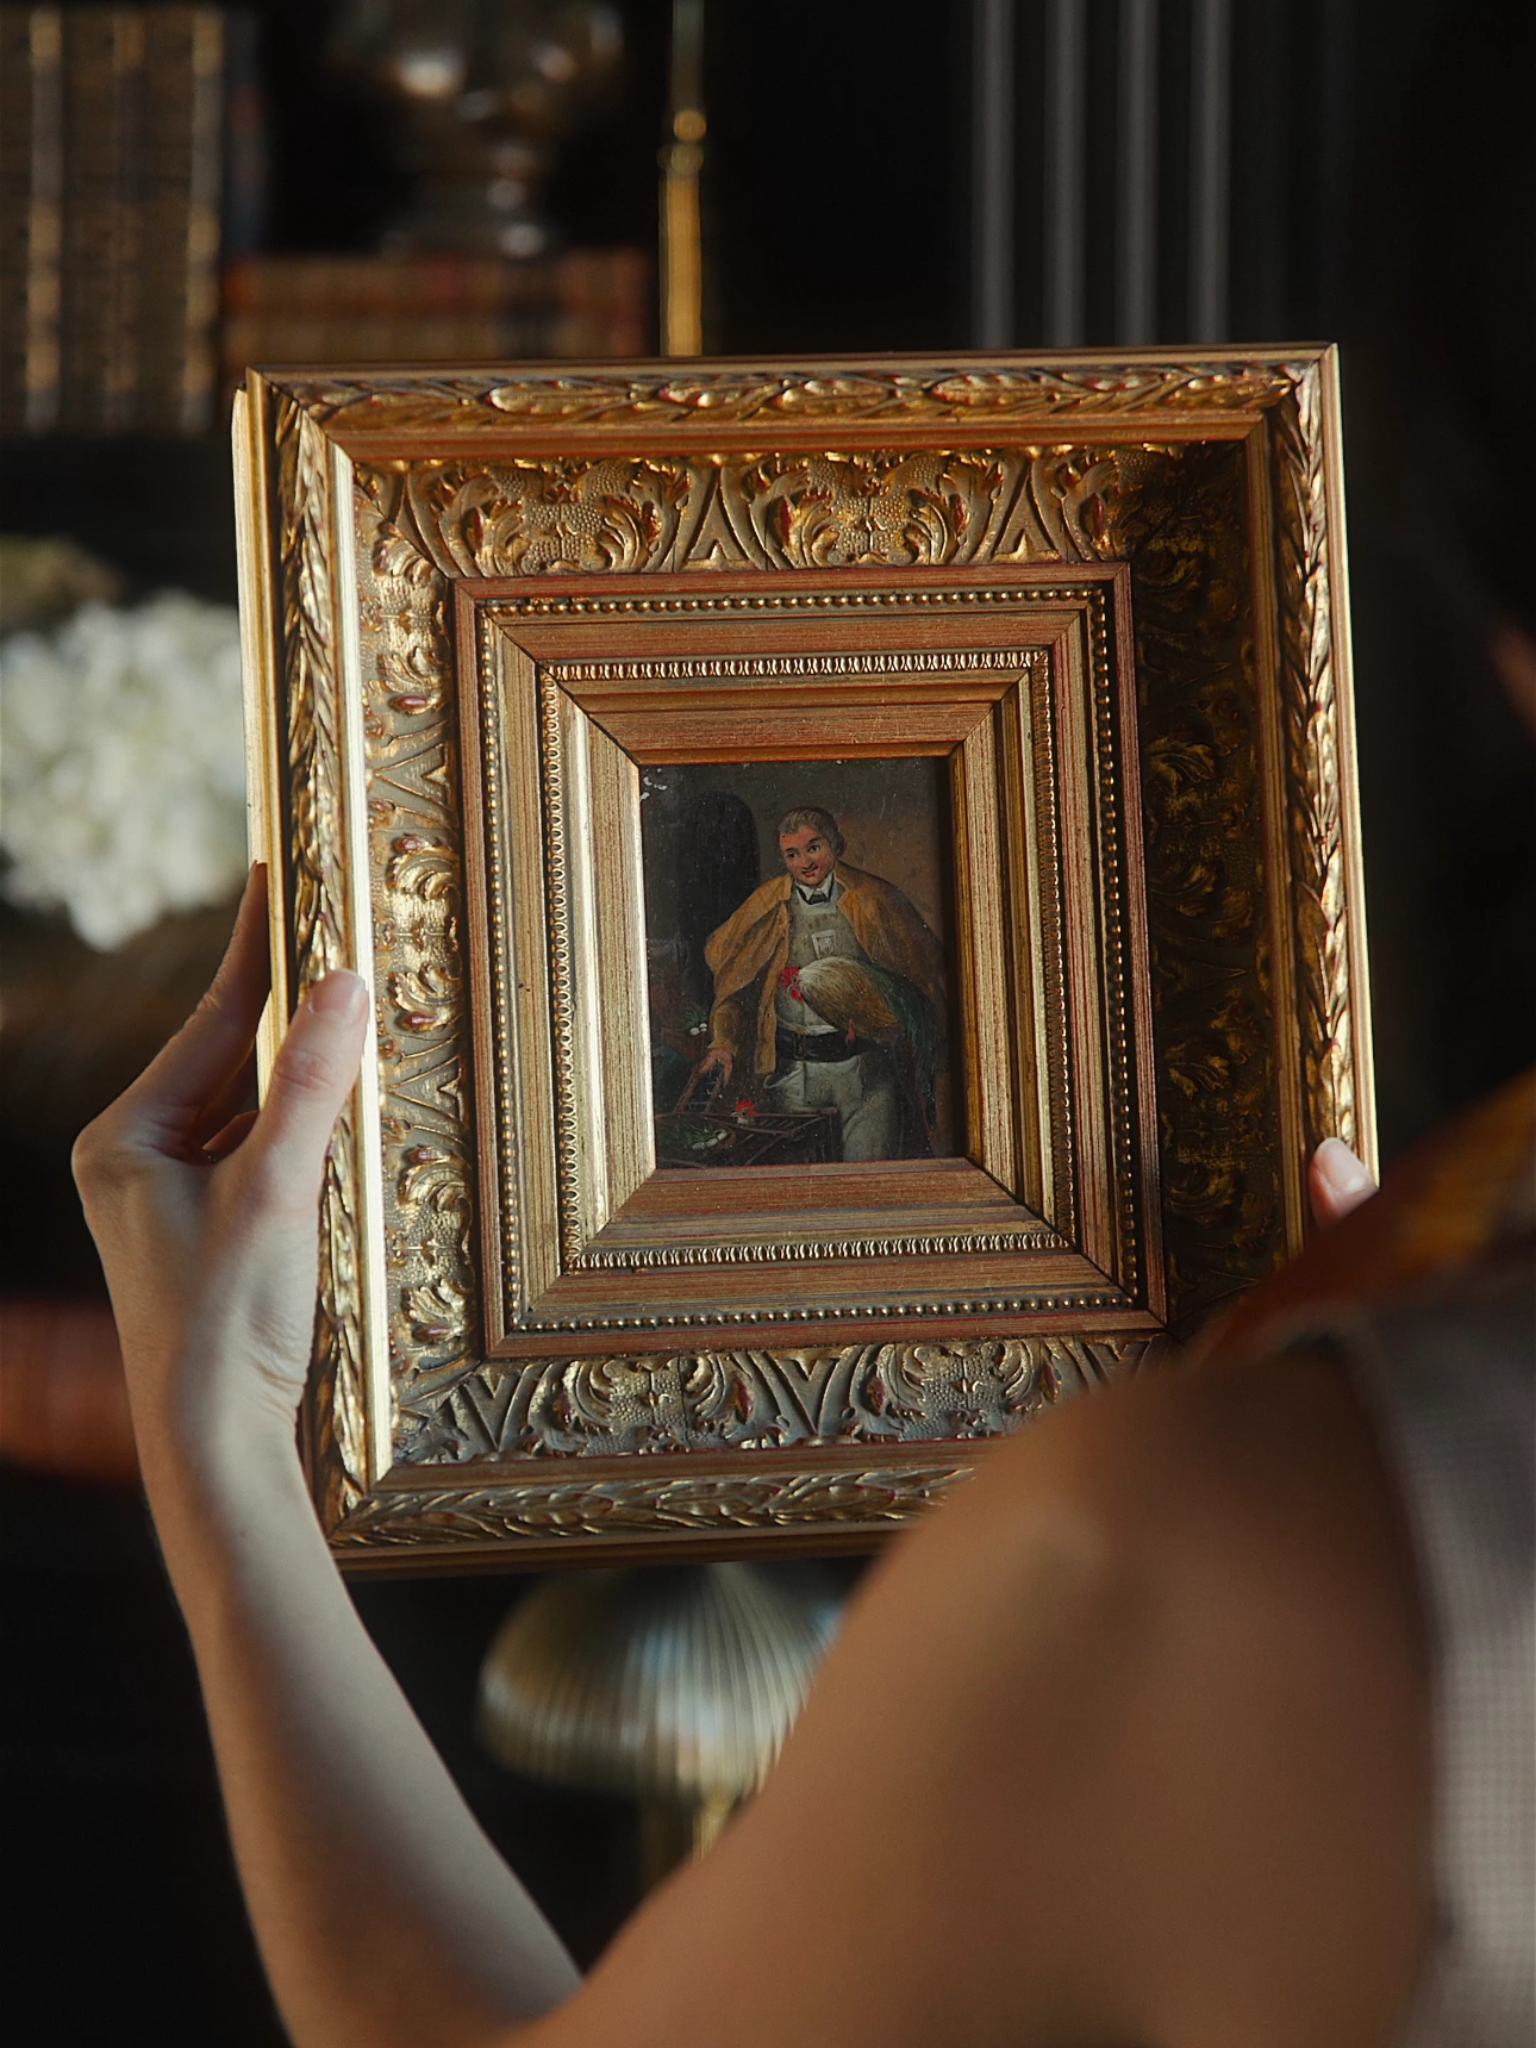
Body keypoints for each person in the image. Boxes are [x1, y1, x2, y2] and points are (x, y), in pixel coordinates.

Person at [697, 805, 948, 1160]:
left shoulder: (875, 899)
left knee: (869, 1177)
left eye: (813, 847)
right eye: (792, 854)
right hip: (793, 1079)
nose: (805, 863)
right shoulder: (766, 905)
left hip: (866, 1076)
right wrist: (723, 1041)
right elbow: (735, 989)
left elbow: (924, 979)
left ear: (835, 844)